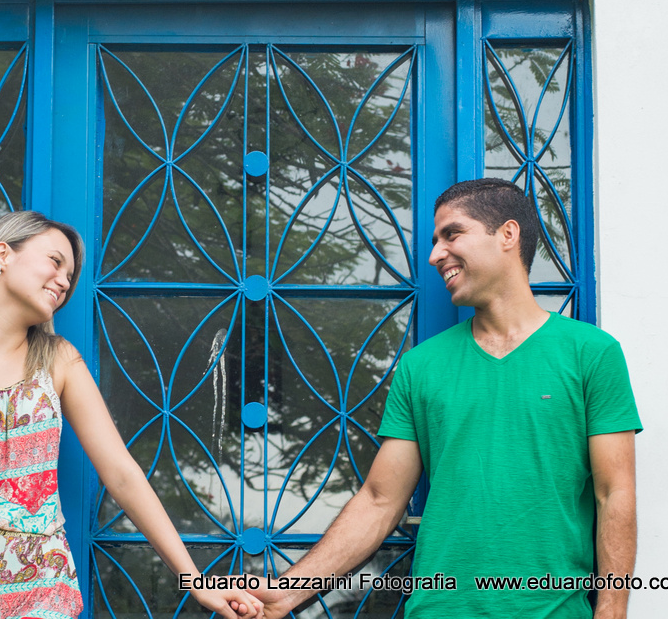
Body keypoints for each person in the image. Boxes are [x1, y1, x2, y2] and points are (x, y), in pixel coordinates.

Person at [253, 178, 641, 619]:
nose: (436, 254)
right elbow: (380, 500)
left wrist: (612, 610)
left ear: (508, 235)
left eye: (451, 234)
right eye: (435, 241)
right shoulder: (421, 368)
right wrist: (286, 595)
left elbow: (615, 493)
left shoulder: (591, 353)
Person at [0, 210, 264, 619]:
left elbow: (121, 474)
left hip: (41, 591)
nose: (64, 281)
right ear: (2, 255)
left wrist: (197, 581)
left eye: (70, 276)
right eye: (55, 261)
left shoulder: (60, 361)